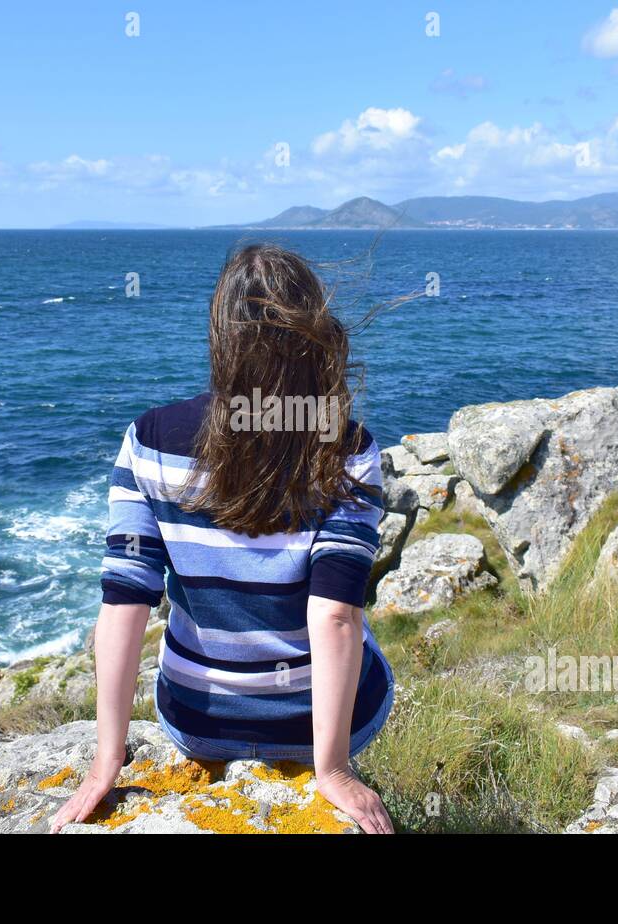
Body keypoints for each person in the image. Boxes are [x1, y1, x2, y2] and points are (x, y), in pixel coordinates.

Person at [51, 244, 395, 834]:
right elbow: (335, 617)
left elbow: (125, 603)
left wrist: (106, 760)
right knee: (368, 646)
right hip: (312, 725)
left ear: (223, 334)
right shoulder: (346, 448)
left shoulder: (150, 438)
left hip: (197, 717)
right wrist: (332, 770)